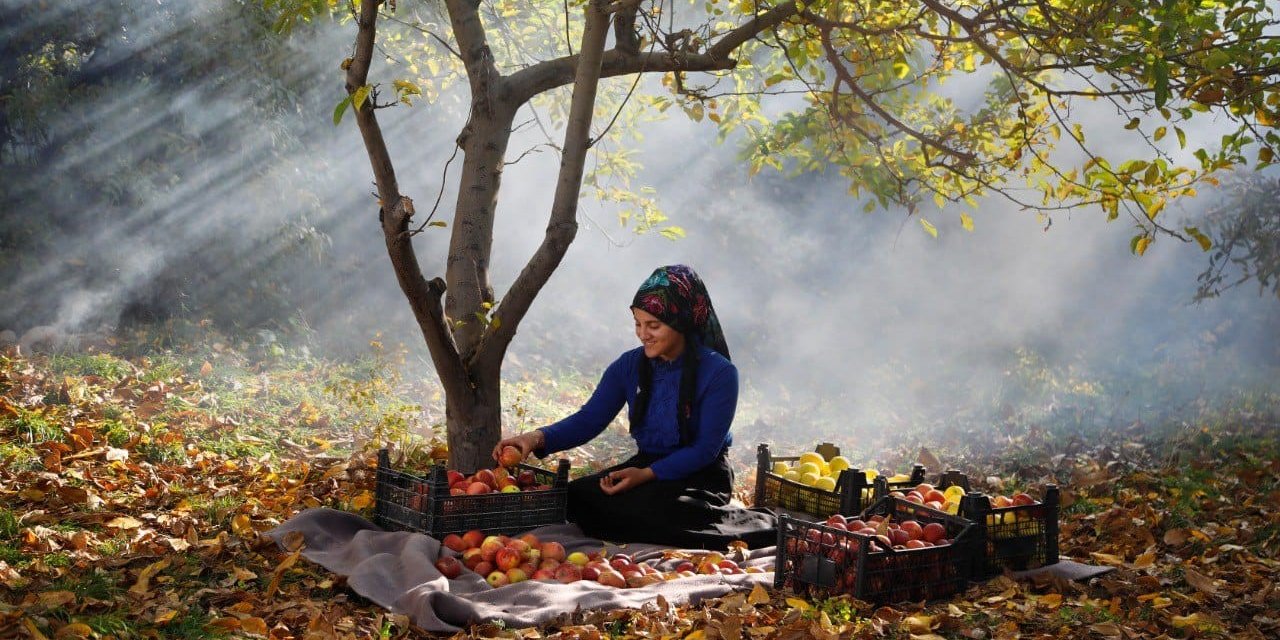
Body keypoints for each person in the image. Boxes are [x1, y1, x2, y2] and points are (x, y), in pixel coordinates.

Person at [492, 265, 776, 549]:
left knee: (661, 513)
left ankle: (761, 525)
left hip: (701, 474)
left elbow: (705, 450)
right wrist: (533, 439)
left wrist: (646, 475)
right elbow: (589, 419)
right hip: (645, 466)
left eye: (653, 325)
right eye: (638, 323)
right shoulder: (628, 366)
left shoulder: (720, 373)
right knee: (576, 496)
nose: (643, 334)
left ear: (682, 322)